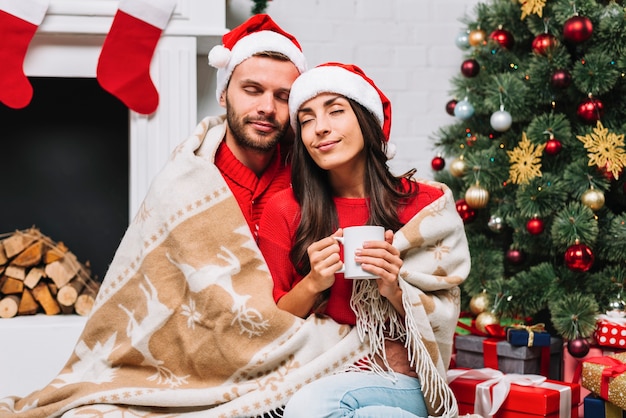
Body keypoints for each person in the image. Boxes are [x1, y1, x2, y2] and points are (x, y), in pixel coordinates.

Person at [258, 63, 471, 417]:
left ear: (365, 119)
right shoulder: (285, 209)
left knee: (312, 407)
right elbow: (270, 324)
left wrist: (395, 289)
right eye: (307, 119)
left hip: (403, 379)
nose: (320, 127)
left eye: (336, 111)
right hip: (315, 372)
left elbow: (446, 310)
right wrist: (313, 283)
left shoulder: (425, 208)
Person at [199, 13, 307, 239]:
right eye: (252, 90)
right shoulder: (189, 178)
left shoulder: (308, 178)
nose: (268, 108)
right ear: (223, 95)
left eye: (283, 96)